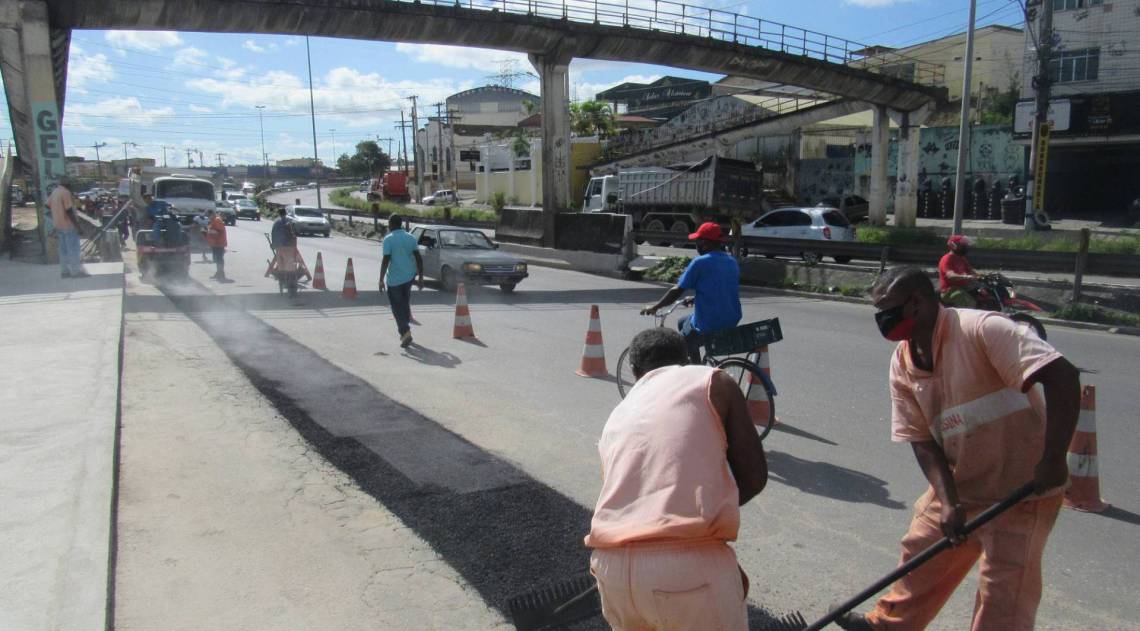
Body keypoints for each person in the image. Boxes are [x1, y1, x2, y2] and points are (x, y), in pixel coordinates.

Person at [836, 266, 1081, 631]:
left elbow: (1063, 375)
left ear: (916, 303)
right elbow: (921, 438)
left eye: (886, 311)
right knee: (921, 555)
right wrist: (949, 501)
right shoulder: (903, 361)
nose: (881, 321)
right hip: (961, 483)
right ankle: (887, 627)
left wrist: (1054, 458)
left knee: (1004, 595)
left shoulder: (982, 329)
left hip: (1024, 488)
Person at [585, 327, 767, 631]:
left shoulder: (617, 414)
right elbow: (753, 477)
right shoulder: (712, 380)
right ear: (685, 358)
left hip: (609, 569)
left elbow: (627, 496)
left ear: (634, 370)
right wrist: (706, 526)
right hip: (688, 572)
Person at [642, 222, 742, 364]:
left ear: (705, 243)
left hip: (710, 324)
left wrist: (655, 307)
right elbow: (721, 289)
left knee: (678, 345)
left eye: (698, 241)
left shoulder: (700, 262)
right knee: (682, 321)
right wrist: (696, 298)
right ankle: (696, 364)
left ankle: (695, 373)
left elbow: (677, 290)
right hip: (731, 320)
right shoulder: (731, 261)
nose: (696, 245)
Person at [379, 214, 424, 348]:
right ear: (401, 224)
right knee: (404, 304)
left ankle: (405, 333)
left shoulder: (388, 239)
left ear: (391, 224)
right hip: (409, 277)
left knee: (396, 307)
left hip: (394, 280)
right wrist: (421, 277)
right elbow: (419, 258)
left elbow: (386, 260)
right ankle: (405, 328)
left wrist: (381, 279)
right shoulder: (410, 238)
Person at [46, 178, 89, 278]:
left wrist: (57, 212)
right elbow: (69, 211)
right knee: (73, 249)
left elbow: (47, 205)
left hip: (58, 225)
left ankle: (64, 272)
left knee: (63, 250)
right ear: (68, 185)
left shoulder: (55, 192)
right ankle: (75, 272)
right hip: (69, 225)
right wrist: (78, 227)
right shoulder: (65, 193)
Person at [938, 235, 979, 307]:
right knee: (969, 303)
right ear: (953, 246)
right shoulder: (947, 259)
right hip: (949, 291)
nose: (965, 247)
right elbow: (950, 275)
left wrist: (984, 276)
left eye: (965, 245)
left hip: (963, 288)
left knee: (982, 294)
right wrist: (966, 277)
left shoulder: (962, 259)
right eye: (962, 245)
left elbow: (972, 271)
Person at [205, 208, 228, 281]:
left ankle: (221, 273)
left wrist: (207, 231)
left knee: (219, 258)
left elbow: (218, 231)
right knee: (217, 259)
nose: (208, 217)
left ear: (212, 214)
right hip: (215, 243)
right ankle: (219, 273)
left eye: (208, 215)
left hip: (219, 243)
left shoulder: (217, 220)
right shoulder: (213, 220)